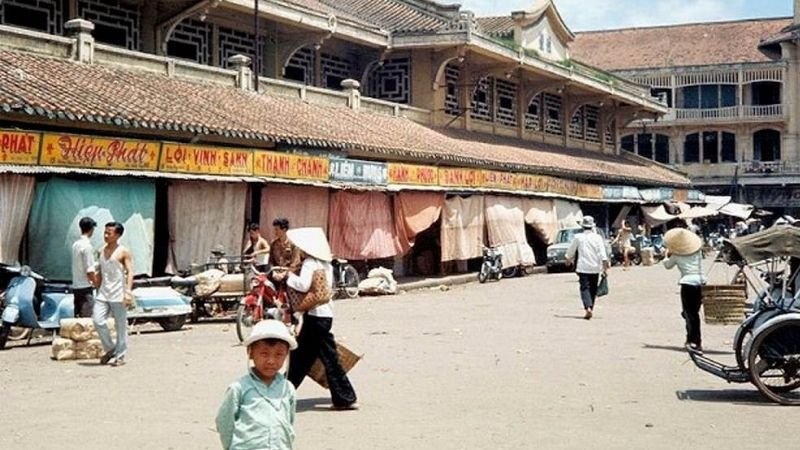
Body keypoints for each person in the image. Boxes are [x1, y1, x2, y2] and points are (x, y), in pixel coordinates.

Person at [280, 227, 358, 410]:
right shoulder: (326, 263)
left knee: (301, 358)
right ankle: (344, 397)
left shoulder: (310, 264)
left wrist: (288, 276)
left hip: (315, 316)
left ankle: (281, 394)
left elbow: (303, 285)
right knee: (324, 358)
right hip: (326, 315)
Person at [216, 320, 297, 450]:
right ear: (250, 352)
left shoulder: (288, 389)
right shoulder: (239, 388)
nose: (271, 361)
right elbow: (225, 422)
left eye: (279, 354)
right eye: (264, 353)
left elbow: (289, 421)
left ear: (287, 355)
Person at [93, 222, 134, 366]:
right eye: (105, 232)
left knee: (120, 326)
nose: (105, 235)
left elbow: (130, 272)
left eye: (109, 233)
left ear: (117, 235)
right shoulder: (101, 251)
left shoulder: (123, 252)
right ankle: (111, 349)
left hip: (119, 294)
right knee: (97, 320)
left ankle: (120, 355)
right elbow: (99, 271)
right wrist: (96, 283)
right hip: (103, 293)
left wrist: (128, 292)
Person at [663, 228, 706, 354]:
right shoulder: (697, 252)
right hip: (701, 282)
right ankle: (693, 339)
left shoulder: (676, 255)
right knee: (694, 313)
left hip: (687, 283)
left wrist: (666, 255)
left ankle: (694, 341)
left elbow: (667, 266)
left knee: (689, 314)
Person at [565, 216, 610, 320]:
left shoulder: (578, 237)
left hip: (583, 267)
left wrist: (567, 259)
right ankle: (590, 307)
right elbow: (603, 254)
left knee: (584, 288)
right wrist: (605, 268)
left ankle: (587, 308)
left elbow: (571, 251)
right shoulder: (597, 238)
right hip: (595, 268)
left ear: (583, 226)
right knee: (593, 289)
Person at [71, 217, 99, 318]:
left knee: (78, 318)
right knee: (87, 320)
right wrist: (97, 284)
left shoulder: (75, 245)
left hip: (76, 286)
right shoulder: (87, 246)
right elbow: (90, 270)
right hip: (85, 288)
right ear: (92, 229)